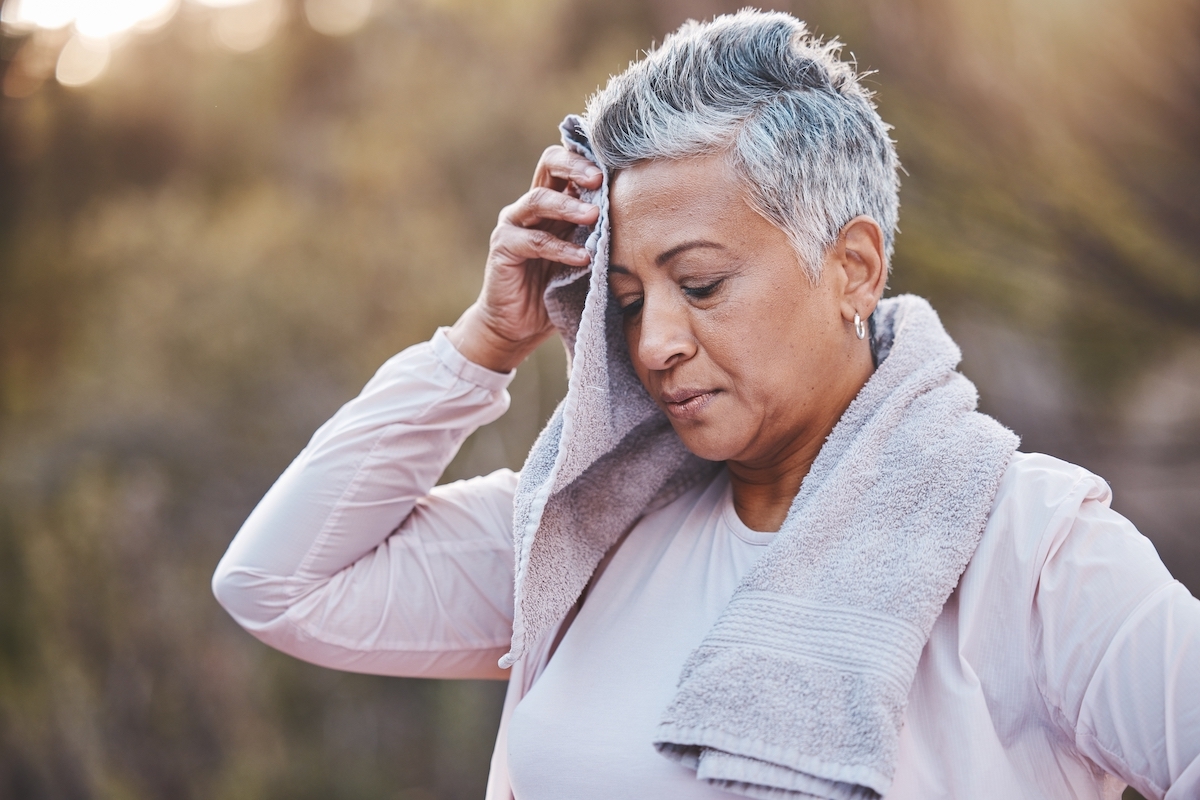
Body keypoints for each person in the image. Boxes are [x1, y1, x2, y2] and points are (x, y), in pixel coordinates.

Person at [212, 10, 1200, 800]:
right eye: (632, 299)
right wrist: (484, 340)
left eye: (702, 282)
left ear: (852, 267)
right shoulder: (587, 525)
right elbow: (277, 582)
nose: (653, 343)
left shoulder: (1033, 549)